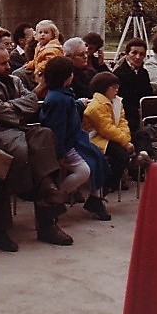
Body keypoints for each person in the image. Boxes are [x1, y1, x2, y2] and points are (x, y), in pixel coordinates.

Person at [0, 44, 73, 247]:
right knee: (20, 151)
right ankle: (42, 200)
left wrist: (12, 106)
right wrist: (18, 106)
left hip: (20, 128)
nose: (9, 66)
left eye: (9, 61)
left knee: (45, 135)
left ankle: (46, 197)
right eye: (3, 63)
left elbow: (33, 104)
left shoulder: (15, 80)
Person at [40, 56, 111, 222]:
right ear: (66, 76)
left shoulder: (63, 94)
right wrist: (60, 153)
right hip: (66, 144)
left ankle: (95, 199)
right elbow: (57, 128)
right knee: (84, 170)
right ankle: (58, 198)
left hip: (77, 139)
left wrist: (78, 104)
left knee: (98, 160)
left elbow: (69, 109)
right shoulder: (57, 99)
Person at [82, 72, 134, 194]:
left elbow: (122, 121)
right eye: (113, 87)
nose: (116, 90)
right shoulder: (95, 106)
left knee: (142, 135)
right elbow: (106, 128)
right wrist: (125, 142)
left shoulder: (116, 102)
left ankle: (143, 155)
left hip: (115, 136)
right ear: (103, 88)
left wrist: (126, 137)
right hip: (97, 139)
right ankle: (109, 185)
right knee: (121, 156)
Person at [113, 38, 151, 132]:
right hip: (126, 116)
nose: (138, 57)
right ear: (127, 54)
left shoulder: (144, 73)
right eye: (134, 53)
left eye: (141, 54)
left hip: (144, 114)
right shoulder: (118, 74)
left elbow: (148, 93)